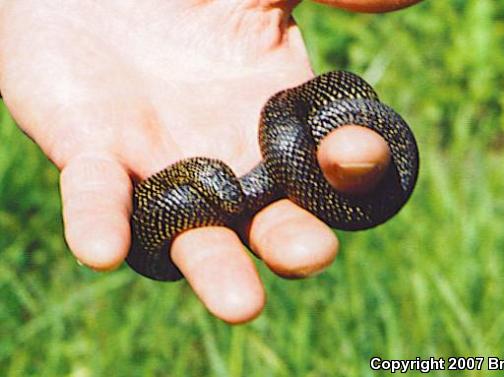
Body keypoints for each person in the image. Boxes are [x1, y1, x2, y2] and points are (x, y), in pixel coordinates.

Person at [0, 0, 422, 323]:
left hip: (305, 118)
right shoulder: (254, 151)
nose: (234, 197)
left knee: (350, 151)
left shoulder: (290, 116)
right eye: (225, 191)